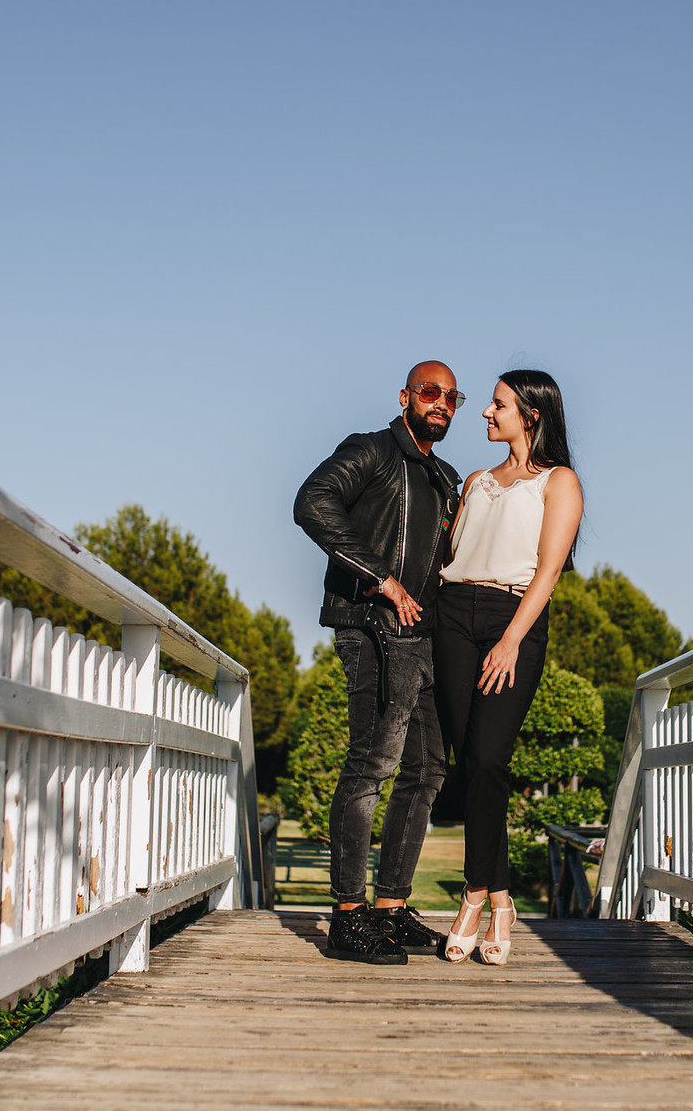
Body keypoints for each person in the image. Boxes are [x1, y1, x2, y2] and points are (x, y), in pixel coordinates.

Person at [293, 361, 466, 964]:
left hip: (425, 640)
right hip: (370, 628)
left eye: (452, 396)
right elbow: (311, 501)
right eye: (430, 392)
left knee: (426, 772)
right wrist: (381, 580)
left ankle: (390, 910)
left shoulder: (446, 477)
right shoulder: (370, 451)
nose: (440, 403)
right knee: (373, 765)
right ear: (406, 397)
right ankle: (347, 917)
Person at [433, 369, 583, 964]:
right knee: (468, 765)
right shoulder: (474, 481)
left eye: (499, 406)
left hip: (510, 618)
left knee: (491, 758)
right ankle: (501, 902)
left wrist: (511, 640)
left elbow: (548, 570)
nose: (487, 414)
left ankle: (474, 896)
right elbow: (449, 555)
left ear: (532, 414)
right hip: (452, 614)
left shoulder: (558, 481)